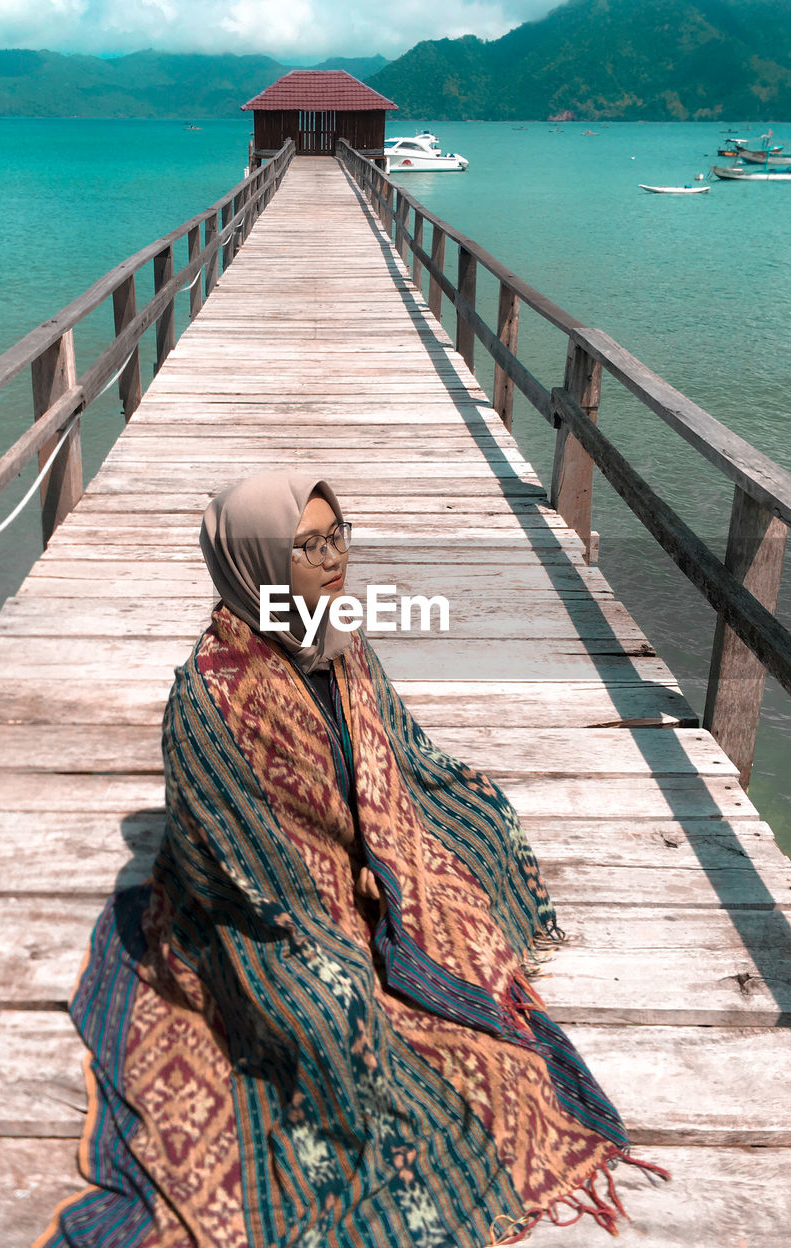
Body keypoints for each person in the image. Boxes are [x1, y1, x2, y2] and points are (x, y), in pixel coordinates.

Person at [33, 470, 667, 1248]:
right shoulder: (207, 703)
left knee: (486, 828)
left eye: (339, 535)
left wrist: (392, 853)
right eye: (307, 545)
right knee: (335, 1017)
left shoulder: (338, 634)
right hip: (267, 909)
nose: (334, 559)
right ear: (254, 560)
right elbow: (241, 879)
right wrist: (341, 915)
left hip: (361, 853)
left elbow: (398, 756)